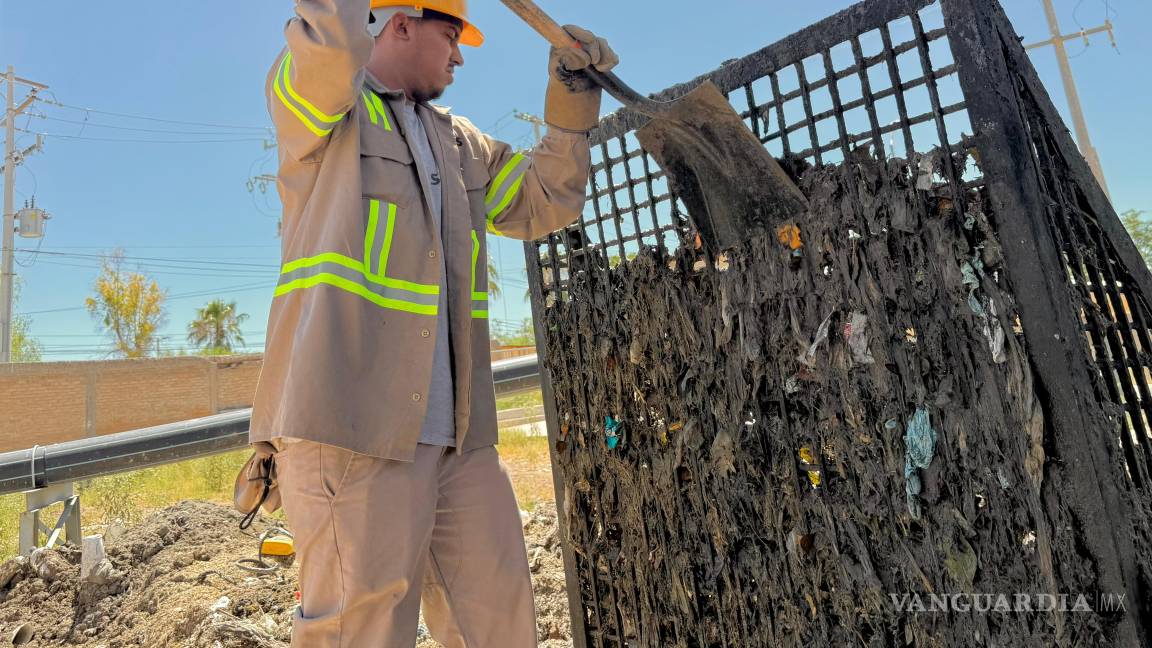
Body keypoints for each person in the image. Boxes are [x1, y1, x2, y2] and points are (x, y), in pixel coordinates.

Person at [246, 1, 617, 646]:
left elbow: (544, 199)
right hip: (353, 431)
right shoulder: (328, 113)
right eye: (450, 35)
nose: (459, 55)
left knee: (500, 624)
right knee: (360, 632)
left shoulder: (461, 144)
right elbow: (331, 43)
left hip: (459, 441)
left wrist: (571, 96)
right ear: (400, 24)